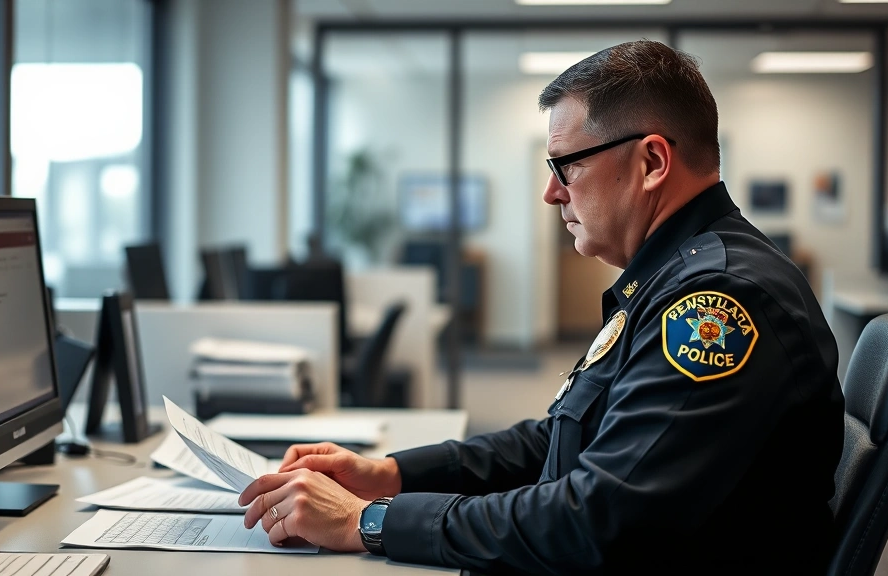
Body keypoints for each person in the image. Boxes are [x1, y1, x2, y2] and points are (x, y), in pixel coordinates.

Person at [238, 40, 845, 575]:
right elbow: (561, 441)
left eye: (566, 165)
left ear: (653, 162)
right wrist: (392, 475)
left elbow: (596, 518)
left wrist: (370, 522)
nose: (551, 191)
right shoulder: (671, 279)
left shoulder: (717, 303)